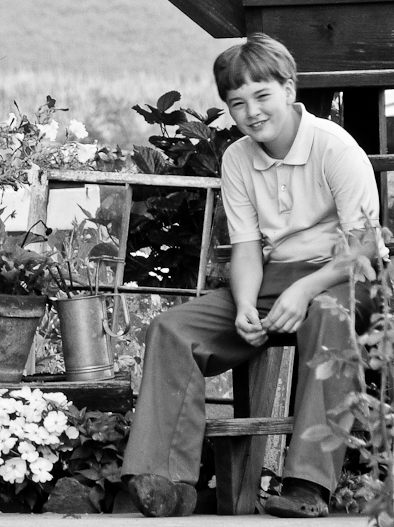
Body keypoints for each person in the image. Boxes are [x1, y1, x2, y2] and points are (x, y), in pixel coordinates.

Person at [121, 33, 380, 519]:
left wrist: (306, 289)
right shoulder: (237, 157)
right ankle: (167, 481)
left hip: (343, 279)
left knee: (327, 317)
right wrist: (243, 304)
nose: (252, 112)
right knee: (172, 329)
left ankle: (308, 483)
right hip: (270, 280)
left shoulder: (334, 147)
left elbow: (364, 246)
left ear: (289, 88)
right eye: (237, 103)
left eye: (262, 96)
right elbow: (245, 249)